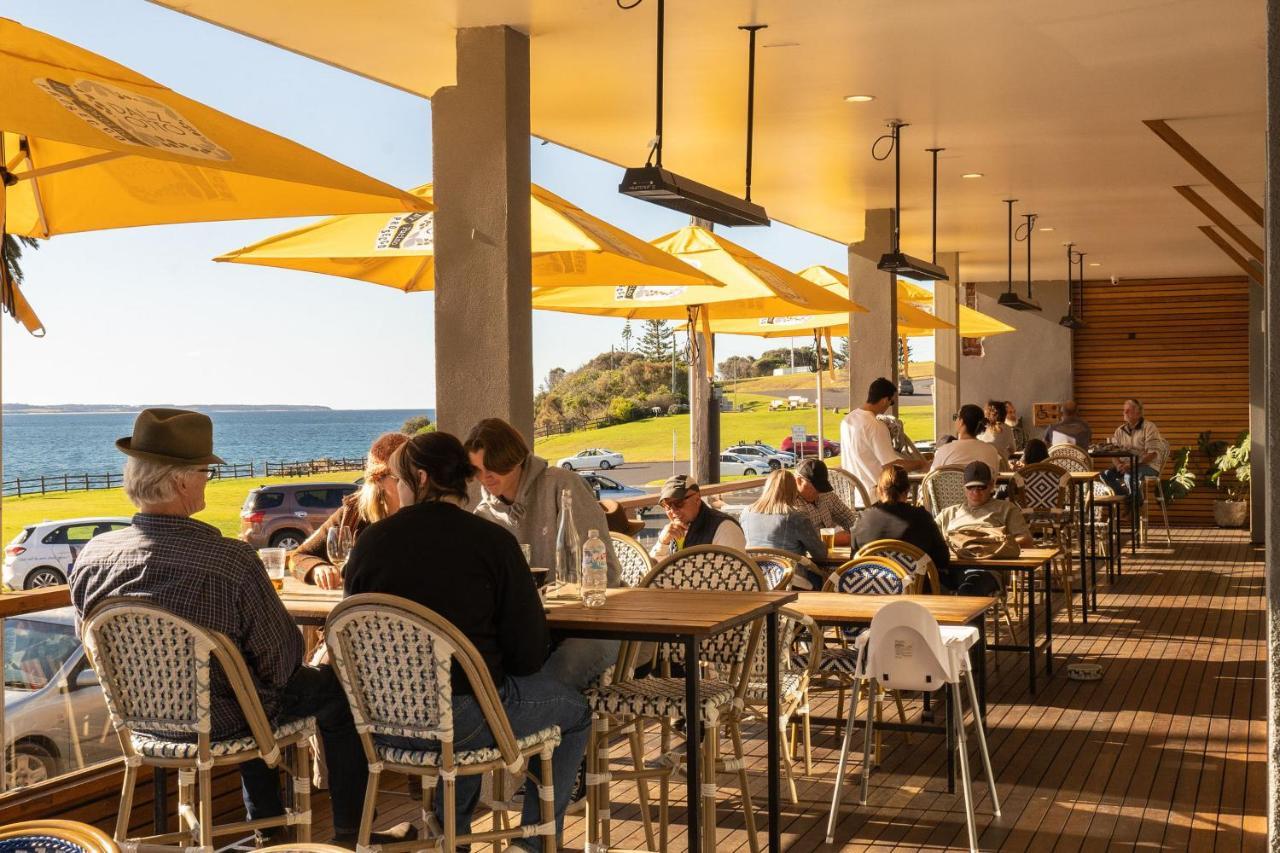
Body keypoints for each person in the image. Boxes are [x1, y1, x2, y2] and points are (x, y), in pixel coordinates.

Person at [69, 409, 370, 847]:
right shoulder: (227, 560)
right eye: (205, 472)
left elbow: (91, 643)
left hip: (141, 723)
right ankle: (346, 837)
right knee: (330, 695)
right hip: (229, 720)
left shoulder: (93, 557)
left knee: (247, 687)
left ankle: (270, 829)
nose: (208, 479)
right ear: (180, 482)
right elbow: (282, 661)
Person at [343, 432, 589, 850]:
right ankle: (532, 844)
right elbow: (528, 656)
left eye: (400, 482)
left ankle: (450, 837)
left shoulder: (370, 544)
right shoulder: (493, 542)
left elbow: (354, 632)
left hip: (382, 725)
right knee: (574, 711)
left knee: (472, 699)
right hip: (466, 721)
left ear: (420, 479)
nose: (398, 491)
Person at [465, 418, 620, 691]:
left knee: (553, 677)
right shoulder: (484, 515)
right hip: (532, 630)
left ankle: (564, 726)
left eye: (494, 468)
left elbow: (606, 570)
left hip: (595, 624)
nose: (486, 478)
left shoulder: (563, 487)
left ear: (514, 458)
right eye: (477, 470)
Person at [289, 431, 409, 589]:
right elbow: (296, 557)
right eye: (400, 477)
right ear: (378, 480)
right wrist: (317, 568)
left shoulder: (428, 516)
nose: (410, 483)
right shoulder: (354, 513)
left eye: (414, 475)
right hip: (362, 609)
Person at [935, 461, 1034, 596]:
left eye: (981, 487)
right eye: (971, 488)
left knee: (969, 590)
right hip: (951, 568)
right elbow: (930, 540)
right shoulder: (948, 513)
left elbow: (1026, 540)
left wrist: (992, 546)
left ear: (992, 485)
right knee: (922, 582)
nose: (976, 492)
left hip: (987, 569)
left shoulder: (1005, 509)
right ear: (963, 488)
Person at [852, 464, 953, 590]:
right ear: (907, 491)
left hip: (873, 592)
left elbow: (854, 561)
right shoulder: (922, 518)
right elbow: (942, 559)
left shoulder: (863, 519)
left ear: (879, 490)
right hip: (916, 594)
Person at [839, 377, 926, 495]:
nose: (890, 405)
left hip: (851, 496)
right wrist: (921, 464)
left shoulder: (847, 420)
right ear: (885, 400)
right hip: (874, 497)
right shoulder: (876, 425)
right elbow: (891, 466)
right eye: (892, 402)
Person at [740, 469, 828, 564]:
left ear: (767, 487)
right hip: (789, 576)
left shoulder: (746, 513)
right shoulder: (796, 518)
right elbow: (821, 555)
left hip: (756, 574)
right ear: (793, 490)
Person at [650, 474, 746, 559]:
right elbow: (651, 572)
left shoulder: (725, 528)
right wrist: (662, 542)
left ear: (697, 499)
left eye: (679, 503)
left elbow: (736, 575)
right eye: (667, 505)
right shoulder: (672, 531)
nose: (673, 510)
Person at [1101, 398, 1165, 502]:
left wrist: (1131, 465)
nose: (1124, 412)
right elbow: (1114, 453)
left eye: (1128, 410)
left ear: (1138, 413)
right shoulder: (1119, 431)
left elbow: (1152, 455)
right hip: (1127, 466)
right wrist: (1118, 465)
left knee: (1129, 476)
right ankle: (1129, 499)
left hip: (1148, 466)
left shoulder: (1149, 427)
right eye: (1124, 410)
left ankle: (1134, 502)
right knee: (1105, 474)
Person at [794, 458, 857, 547]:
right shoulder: (790, 503)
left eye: (821, 486)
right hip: (806, 558)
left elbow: (848, 518)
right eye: (815, 487)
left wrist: (859, 532)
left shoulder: (825, 494)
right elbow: (800, 540)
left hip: (832, 554)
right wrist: (834, 540)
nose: (819, 491)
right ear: (799, 481)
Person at [930, 404, 1004, 472]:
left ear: (961, 422)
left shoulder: (944, 450)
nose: (955, 420)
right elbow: (994, 478)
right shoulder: (991, 451)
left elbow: (931, 479)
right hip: (982, 486)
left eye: (956, 417)